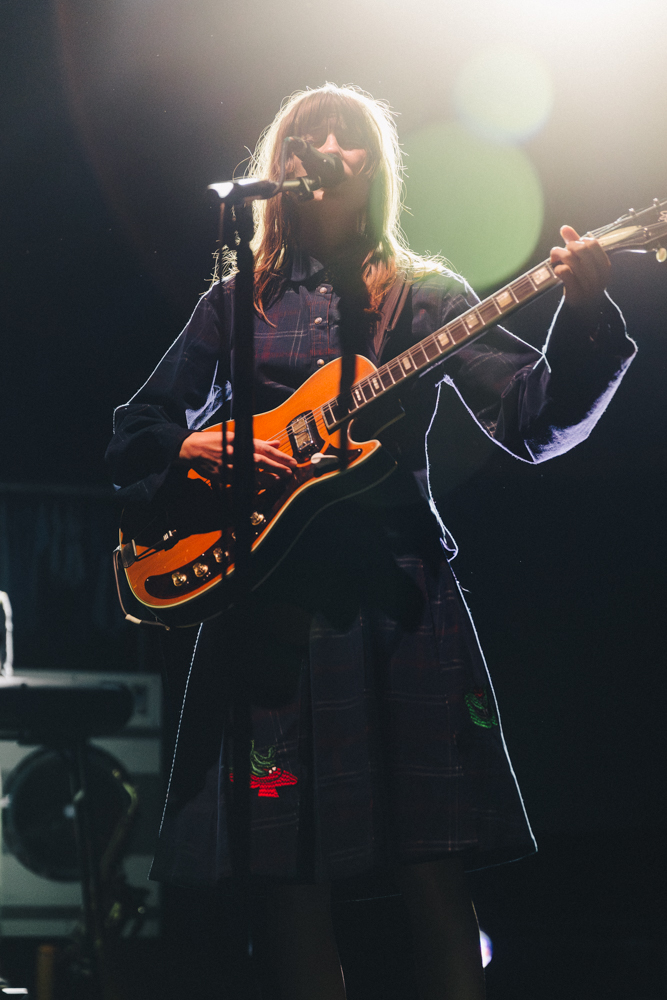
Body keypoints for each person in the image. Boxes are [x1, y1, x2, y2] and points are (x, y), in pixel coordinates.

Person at [106, 84, 636, 999]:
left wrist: (581, 315)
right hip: (266, 605)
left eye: (344, 139)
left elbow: (530, 418)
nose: (319, 148)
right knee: (284, 877)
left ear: (374, 169)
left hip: (398, 602)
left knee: (433, 864)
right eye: (302, 136)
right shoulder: (236, 304)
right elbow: (138, 428)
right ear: (276, 165)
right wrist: (196, 442)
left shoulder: (423, 295)